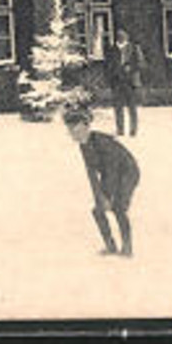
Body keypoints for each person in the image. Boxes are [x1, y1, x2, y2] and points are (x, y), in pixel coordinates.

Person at [63, 106, 141, 257]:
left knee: (118, 207)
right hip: (110, 174)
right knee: (98, 210)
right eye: (71, 132)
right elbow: (91, 174)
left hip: (127, 172)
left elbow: (112, 171)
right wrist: (99, 197)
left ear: (86, 127)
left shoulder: (103, 142)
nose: (75, 135)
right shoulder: (84, 146)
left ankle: (127, 247)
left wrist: (108, 196)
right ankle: (110, 246)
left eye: (78, 130)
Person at [102, 28, 145, 136]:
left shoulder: (134, 49)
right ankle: (120, 129)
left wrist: (131, 68)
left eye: (124, 35)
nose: (122, 37)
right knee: (118, 107)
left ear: (127, 36)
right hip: (117, 82)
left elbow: (141, 63)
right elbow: (107, 66)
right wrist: (112, 76)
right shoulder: (112, 50)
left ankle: (133, 130)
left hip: (130, 82)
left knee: (132, 107)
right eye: (119, 35)